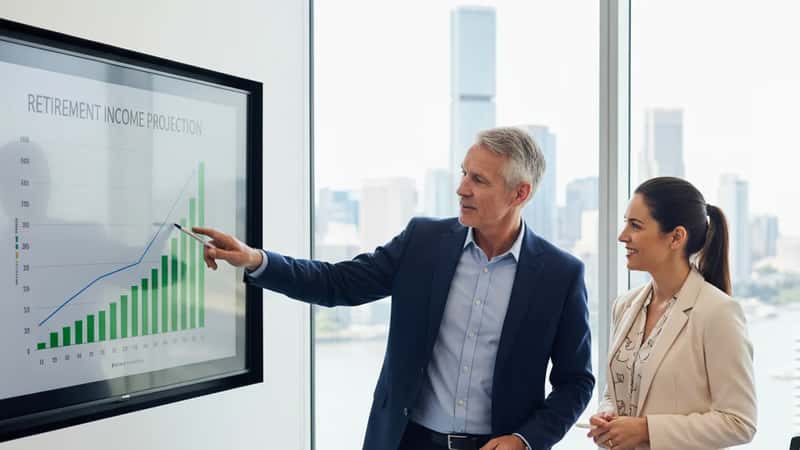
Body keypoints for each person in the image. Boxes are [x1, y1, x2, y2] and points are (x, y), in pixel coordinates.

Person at [195, 127, 594, 450]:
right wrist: (256, 260)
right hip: (407, 441)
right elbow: (338, 284)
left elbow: (576, 381)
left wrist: (525, 441)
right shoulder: (424, 242)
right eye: (462, 173)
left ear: (519, 193)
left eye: (478, 179)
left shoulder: (561, 274)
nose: (462, 188)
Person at [588, 177, 757, 450]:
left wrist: (646, 430)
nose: (622, 236)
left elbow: (739, 421)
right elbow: (617, 389)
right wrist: (608, 415)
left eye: (635, 226)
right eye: (626, 223)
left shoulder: (718, 313)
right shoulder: (624, 305)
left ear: (676, 237)